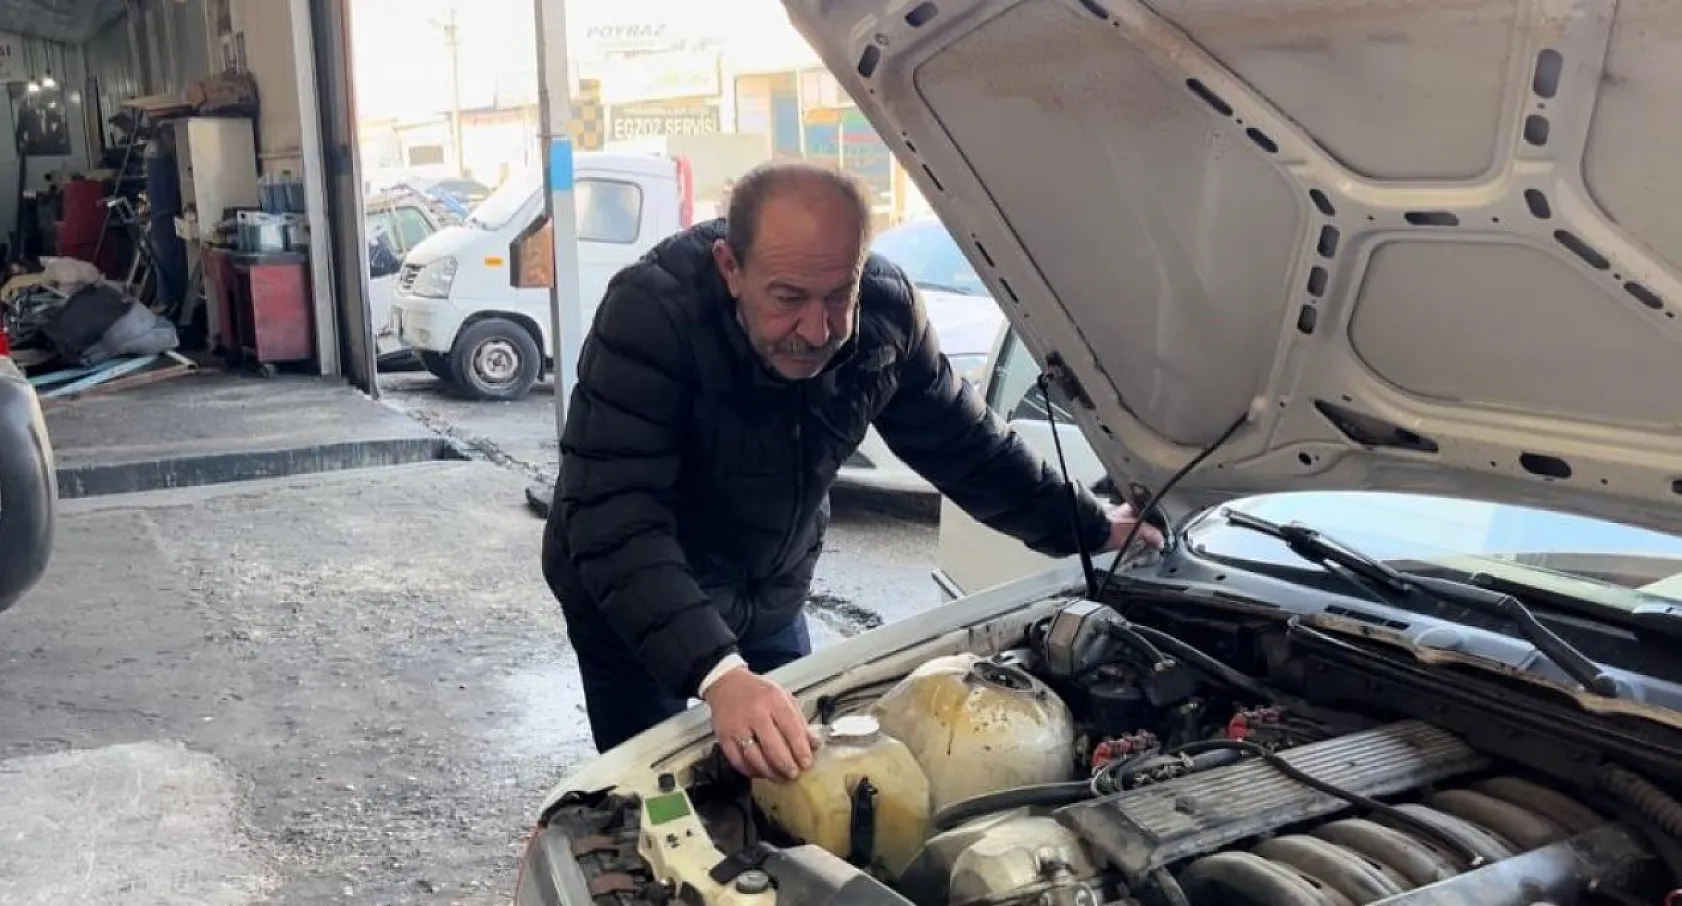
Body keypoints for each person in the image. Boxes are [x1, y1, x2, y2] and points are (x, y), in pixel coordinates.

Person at [542, 161, 1162, 781]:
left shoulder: (886, 314)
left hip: (769, 593)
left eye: (840, 296)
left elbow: (969, 445)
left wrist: (1091, 527)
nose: (817, 331)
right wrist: (718, 673)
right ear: (731, 268)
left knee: (798, 777)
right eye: (788, 299)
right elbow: (614, 515)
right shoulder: (652, 315)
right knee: (658, 791)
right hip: (629, 600)